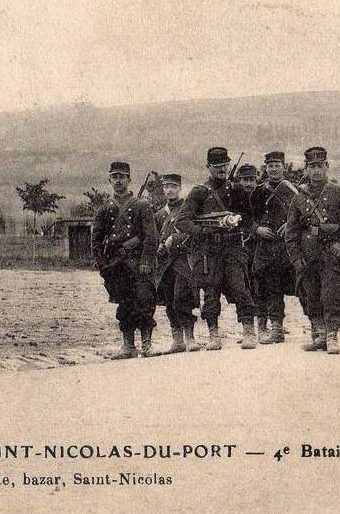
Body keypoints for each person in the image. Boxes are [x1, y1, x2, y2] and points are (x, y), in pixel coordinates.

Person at [170, 147, 258, 350]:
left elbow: (249, 217)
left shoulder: (236, 190)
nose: (222, 170)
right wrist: (203, 232)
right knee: (211, 292)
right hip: (209, 251)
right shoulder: (199, 192)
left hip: (234, 248)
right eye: (217, 166)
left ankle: (249, 332)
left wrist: (237, 221)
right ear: (208, 167)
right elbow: (182, 221)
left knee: (240, 288)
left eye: (224, 165)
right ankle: (214, 336)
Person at [284, 147, 340, 355]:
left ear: (327, 167)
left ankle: (332, 337)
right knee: (310, 295)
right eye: (312, 167)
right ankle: (317, 335)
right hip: (307, 256)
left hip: (331, 255)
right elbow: (291, 231)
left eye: (320, 166)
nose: (316, 171)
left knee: (331, 296)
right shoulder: (299, 197)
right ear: (306, 169)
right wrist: (296, 257)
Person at [92, 161, 159, 358]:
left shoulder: (142, 206)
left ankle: (147, 344)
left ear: (129, 179)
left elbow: (151, 237)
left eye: (122, 176)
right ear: (110, 179)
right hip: (117, 265)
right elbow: (95, 240)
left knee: (145, 302)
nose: (118, 180)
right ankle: (128, 346)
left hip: (139, 264)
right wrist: (103, 265)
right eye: (115, 177)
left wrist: (147, 261)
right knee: (125, 304)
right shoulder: (105, 208)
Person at [249, 151, 297, 344]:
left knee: (303, 287)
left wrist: (291, 224)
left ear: (283, 167)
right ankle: (276, 329)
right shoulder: (258, 192)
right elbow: (246, 217)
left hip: (289, 247)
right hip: (267, 248)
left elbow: (305, 213)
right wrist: (257, 229)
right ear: (265, 168)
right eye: (270, 166)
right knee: (271, 288)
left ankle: (318, 328)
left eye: (277, 165)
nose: (274, 169)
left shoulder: (294, 191)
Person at [152, 173, 203, 353]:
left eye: (173, 186)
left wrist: (175, 238)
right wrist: (159, 244)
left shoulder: (186, 209)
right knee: (168, 299)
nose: (170, 190)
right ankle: (177, 339)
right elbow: (155, 236)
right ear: (163, 189)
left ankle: (189, 337)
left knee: (182, 296)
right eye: (166, 187)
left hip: (183, 260)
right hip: (165, 263)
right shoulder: (159, 214)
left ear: (180, 188)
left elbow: (193, 231)